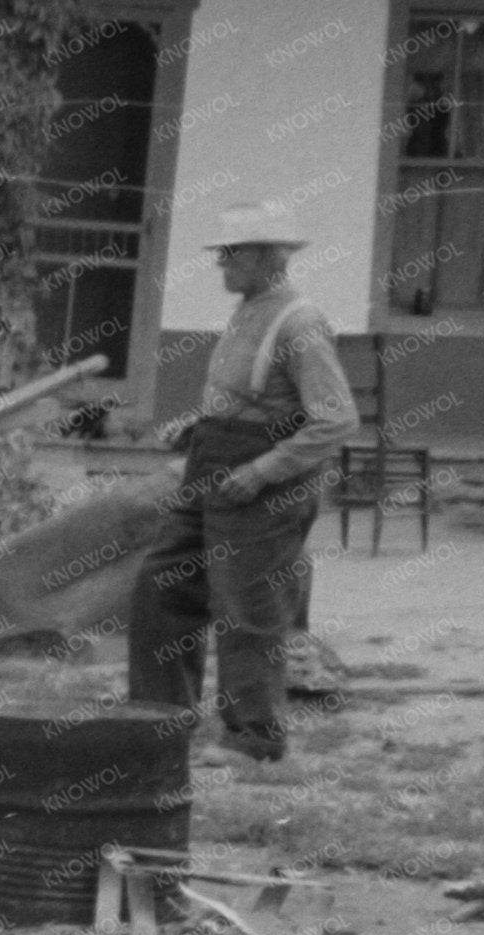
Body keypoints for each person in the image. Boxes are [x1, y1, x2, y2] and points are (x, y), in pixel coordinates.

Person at [127, 203, 355, 764]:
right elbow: (248, 396)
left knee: (246, 610)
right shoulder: (249, 310)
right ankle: (160, 720)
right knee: (162, 587)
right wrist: (198, 426)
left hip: (264, 488)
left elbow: (336, 419)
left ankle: (255, 739)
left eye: (229, 255)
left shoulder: (300, 323)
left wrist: (261, 472)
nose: (220, 265)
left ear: (259, 258)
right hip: (212, 469)